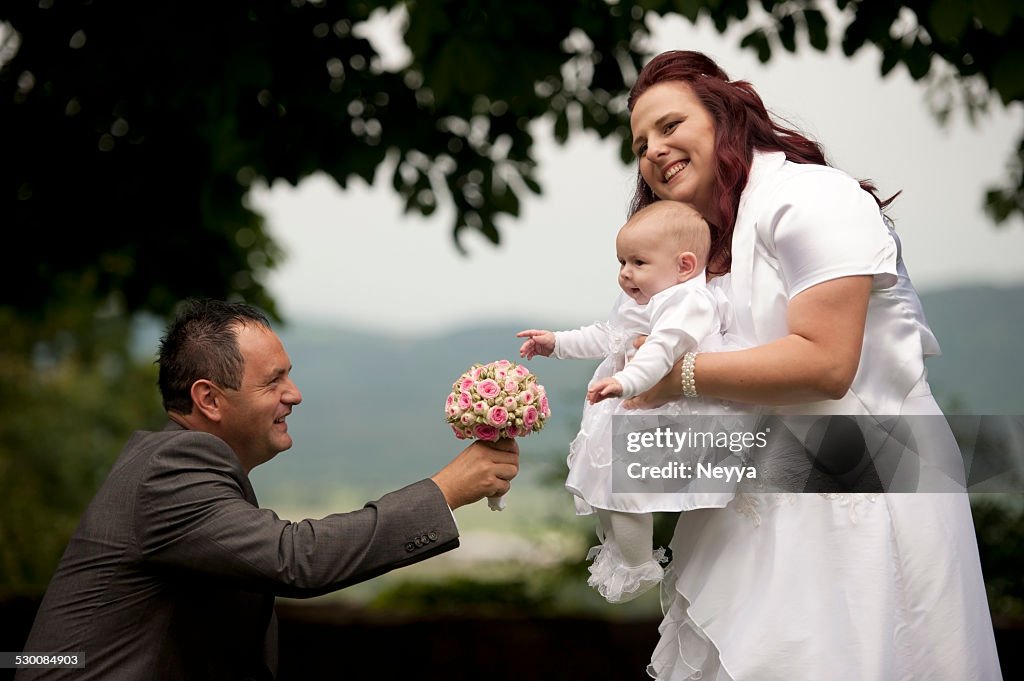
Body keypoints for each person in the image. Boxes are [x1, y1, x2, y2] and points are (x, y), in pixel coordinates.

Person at [616, 50, 1003, 681]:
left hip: (868, 498)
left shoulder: (813, 198)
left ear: (724, 117)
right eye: (639, 144)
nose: (652, 151)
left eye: (669, 125)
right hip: (769, 499)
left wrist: (676, 379)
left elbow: (826, 363)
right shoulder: (712, 244)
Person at [16, 299, 519, 681]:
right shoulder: (172, 466)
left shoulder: (180, 465)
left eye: (290, 376)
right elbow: (297, 558)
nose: (294, 394)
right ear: (208, 399)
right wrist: (445, 490)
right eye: (273, 381)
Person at [516, 200, 744, 604]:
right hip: (635, 411)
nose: (625, 273)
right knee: (605, 486)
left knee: (627, 492)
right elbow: (607, 335)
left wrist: (624, 381)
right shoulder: (641, 301)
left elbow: (661, 350)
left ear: (685, 266)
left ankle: (639, 563)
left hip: (671, 418)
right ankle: (624, 554)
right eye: (621, 261)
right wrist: (556, 344)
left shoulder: (687, 303)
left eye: (638, 262)